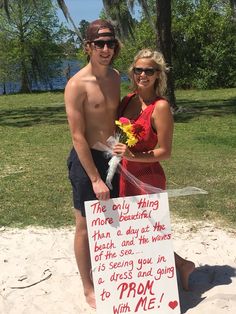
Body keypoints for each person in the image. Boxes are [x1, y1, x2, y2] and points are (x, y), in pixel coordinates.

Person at [113, 48, 195, 291]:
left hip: (148, 177)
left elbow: (165, 152)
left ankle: (179, 267)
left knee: (151, 231)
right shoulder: (127, 100)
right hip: (124, 173)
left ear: (158, 75)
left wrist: (133, 155)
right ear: (132, 72)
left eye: (149, 70)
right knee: (134, 233)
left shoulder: (160, 107)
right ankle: (177, 266)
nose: (143, 74)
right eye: (138, 69)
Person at [65, 19, 121, 309]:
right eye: (99, 43)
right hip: (87, 161)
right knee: (85, 225)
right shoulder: (76, 85)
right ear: (88, 47)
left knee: (113, 220)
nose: (105, 48)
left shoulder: (115, 77)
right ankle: (88, 287)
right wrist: (95, 179)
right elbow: (77, 136)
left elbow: (115, 121)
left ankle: (110, 271)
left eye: (110, 42)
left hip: (113, 158)